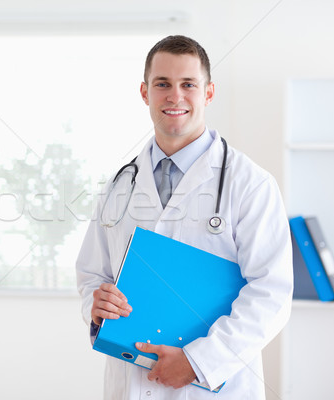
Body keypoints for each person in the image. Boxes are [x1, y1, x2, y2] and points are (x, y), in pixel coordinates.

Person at [76, 35, 293, 399]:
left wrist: (200, 361)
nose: (175, 96)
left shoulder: (250, 183)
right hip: (131, 381)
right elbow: (92, 274)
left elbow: (271, 292)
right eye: (162, 84)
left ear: (208, 93)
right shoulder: (118, 185)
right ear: (145, 92)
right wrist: (95, 307)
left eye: (188, 84)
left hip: (212, 386)